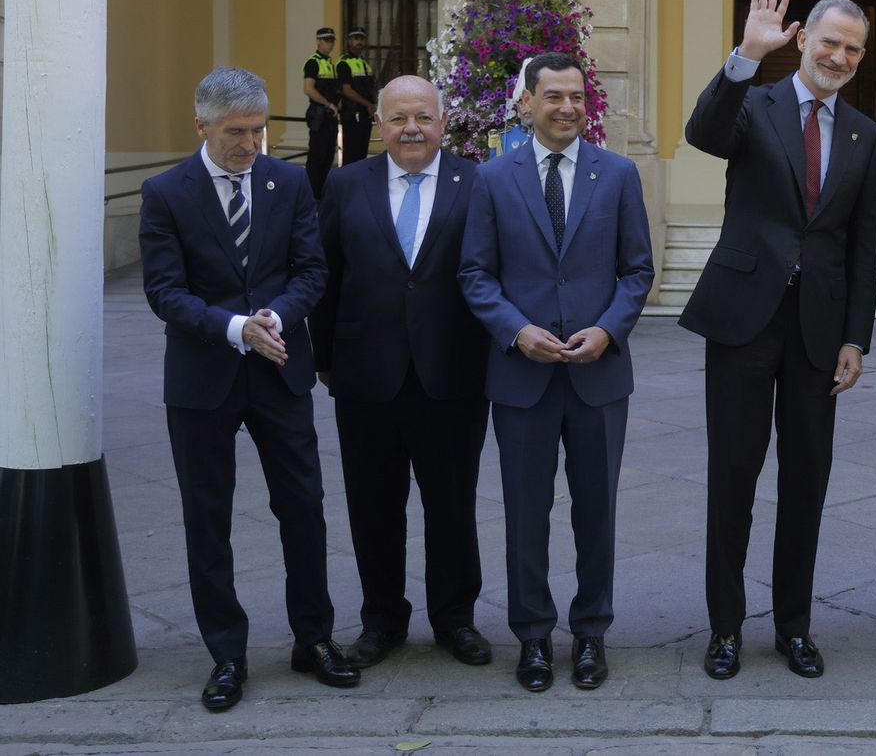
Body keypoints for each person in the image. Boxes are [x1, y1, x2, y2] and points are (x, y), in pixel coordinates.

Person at [679, 0, 876, 681]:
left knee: (807, 479)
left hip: (819, 329)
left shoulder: (864, 134)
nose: (839, 57)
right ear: (802, 39)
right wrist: (744, 53)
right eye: (829, 42)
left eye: (853, 48)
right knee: (733, 475)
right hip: (743, 317)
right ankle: (725, 628)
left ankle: (794, 626)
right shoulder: (754, 102)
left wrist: (856, 336)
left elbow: (862, 241)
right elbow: (703, 133)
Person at [139, 66, 356, 711]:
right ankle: (226, 654)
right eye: (235, 132)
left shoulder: (288, 183)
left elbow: (311, 270)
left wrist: (274, 318)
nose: (249, 144)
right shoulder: (165, 193)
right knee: (208, 516)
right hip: (203, 378)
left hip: (280, 367)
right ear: (201, 126)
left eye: (258, 130)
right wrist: (237, 327)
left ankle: (313, 638)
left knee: (304, 506)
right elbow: (165, 292)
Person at [459, 52, 654, 693]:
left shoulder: (618, 174)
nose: (567, 108)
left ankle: (591, 632)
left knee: (596, 512)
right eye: (553, 97)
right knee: (525, 513)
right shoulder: (493, 178)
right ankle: (534, 636)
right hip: (523, 377)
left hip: (599, 377)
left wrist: (609, 329)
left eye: (576, 97)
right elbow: (475, 274)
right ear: (527, 104)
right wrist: (516, 331)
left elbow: (637, 270)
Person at [312, 75, 493, 670]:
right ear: (379, 123)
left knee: (452, 504)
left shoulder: (478, 182)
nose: (411, 129)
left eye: (422, 117)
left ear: (443, 121)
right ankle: (382, 620)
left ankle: (455, 619)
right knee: (372, 506)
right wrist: (326, 360)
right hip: (366, 377)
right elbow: (325, 276)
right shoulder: (345, 184)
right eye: (398, 118)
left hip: (453, 374)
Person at [304, 27, 342, 197]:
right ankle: (310, 196)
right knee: (317, 157)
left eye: (332, 40)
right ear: (318, 41)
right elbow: (308, 89)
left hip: (330, 117)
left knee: (327, 157)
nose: (330, 44)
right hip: (319, 115)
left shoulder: (330, 64)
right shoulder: (313, 62)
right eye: (326, 40)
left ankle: (321, 195)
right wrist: (328, 104)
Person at [337, 28, 377, 164]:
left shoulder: (365, 64)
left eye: (361, 39)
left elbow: (370, 88)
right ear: (349, 41)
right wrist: (368, 104)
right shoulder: (344, 63)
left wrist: (373, 105)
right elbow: (346, 90)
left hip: (365, 115)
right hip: (352, 114)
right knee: (351, 153)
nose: (359, 42)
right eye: (355, 39)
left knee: (362, 153)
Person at [489, 56, 536, 159]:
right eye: (521, 102)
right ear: (517, 108)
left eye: (530, 102)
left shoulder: (549, 137)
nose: (526, 109)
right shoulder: (503, 138)